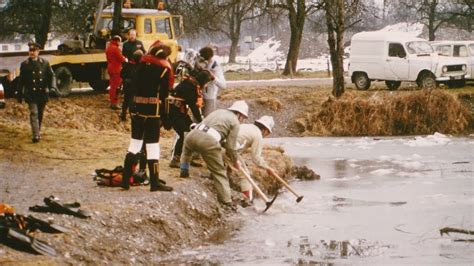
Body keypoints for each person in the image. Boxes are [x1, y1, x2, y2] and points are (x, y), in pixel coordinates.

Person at [120, 44, 174, 192]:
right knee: (152, 146)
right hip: (153, 113)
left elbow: (131, 88)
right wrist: (166, 116)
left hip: (137, 111)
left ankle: (125, 180)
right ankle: (154, 183)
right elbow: (164, 96)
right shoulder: (163, 69)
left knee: (134, 145)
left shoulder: (140, 65)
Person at [179, 100, 248, 208]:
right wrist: (235, 161)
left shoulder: (218, 111)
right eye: (243, 117)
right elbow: (230, 147)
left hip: (192, 135)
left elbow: (216, 133)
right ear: (239, 114)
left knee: (187, 152)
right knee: (219, 171)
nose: (242, 120)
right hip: (208, 142)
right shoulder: (235, 122)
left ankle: (184, 170)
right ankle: (226, 201)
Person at [167, 69, 213, 168]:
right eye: (206, 83)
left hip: (180, 111)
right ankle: (175, 159)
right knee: (183, 134)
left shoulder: (191, 84)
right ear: (203, 81)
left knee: (191, 131)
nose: (206, 86)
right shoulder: (190, 86)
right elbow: (193, 105)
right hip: (173, 111)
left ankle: (188, 157)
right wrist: (201, 120)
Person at [16, 42, 56, 143]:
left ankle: (37, 130)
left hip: (42, 93)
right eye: (30, 51)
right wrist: (19, 94)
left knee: (40, 114)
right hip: (31, 94)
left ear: (38, 51)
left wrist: (52, 87)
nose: (32, 53)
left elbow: (52, 76)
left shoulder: (45, 63)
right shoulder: (25, 65)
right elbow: (21, 80)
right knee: (34, 113)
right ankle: (36, 135)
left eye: (34, 51)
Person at [233, 115, 277, 204]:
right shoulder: (258, 135)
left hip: (221, 144)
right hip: (231, 149)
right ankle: (248, 202)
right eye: (268, 133)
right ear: (265, 130)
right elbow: (256, 158)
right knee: (245, 176)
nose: (266, 135)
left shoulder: (246, 126)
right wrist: (267, 168)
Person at [198, 46, 226, 117]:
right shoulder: (199, 63)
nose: (205, 62)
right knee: (196, 120)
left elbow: (223, 86)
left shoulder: (216, 67)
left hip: (209, 98)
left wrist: (213, 78)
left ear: (210, 57)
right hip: (198, 97)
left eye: (207, 60)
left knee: (207, 121)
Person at [120, 49, 143, 121]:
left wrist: (126, 79)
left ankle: (123, 114)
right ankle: (132, 116)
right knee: (132, 102)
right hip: (135, 87)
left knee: (126, 100)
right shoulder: (141, 66)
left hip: (127, 86)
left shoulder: (127, 65)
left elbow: (121, 74)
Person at [106, 35, 126, 110]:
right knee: (117, 87)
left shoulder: (109, 47)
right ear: (117, 41)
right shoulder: (116, 48)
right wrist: (125, 59)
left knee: (112, 86)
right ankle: (115, 103)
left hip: (110, 67)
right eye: (119, 42)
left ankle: (112, 102)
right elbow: (121, 58)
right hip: (116, 69)